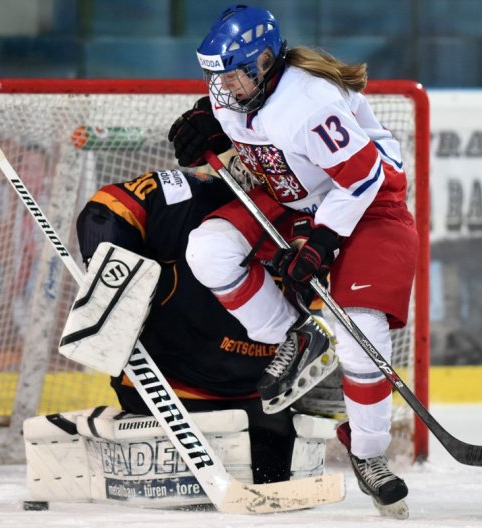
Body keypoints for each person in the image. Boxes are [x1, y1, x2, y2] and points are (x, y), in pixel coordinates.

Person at [167, 4, 417, 515]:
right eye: (216, 77)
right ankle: (298, 337)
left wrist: (323, 244)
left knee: (362, 329)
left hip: (367, 204)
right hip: (293, 196)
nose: (223, 87)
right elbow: (232, 123)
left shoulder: (310, 102)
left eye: (232, 74)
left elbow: (364, 177)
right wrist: (202, 121)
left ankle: (370, 456)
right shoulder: (237, 92)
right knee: (208, 249)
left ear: (263, 62)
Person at [75, 160, 341, 485]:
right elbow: (107, 210)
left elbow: (317, 304)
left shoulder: (323, 222)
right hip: (167, 390)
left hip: (257, 396)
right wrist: (111, 279)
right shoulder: (188, 197)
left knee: (273, 482)